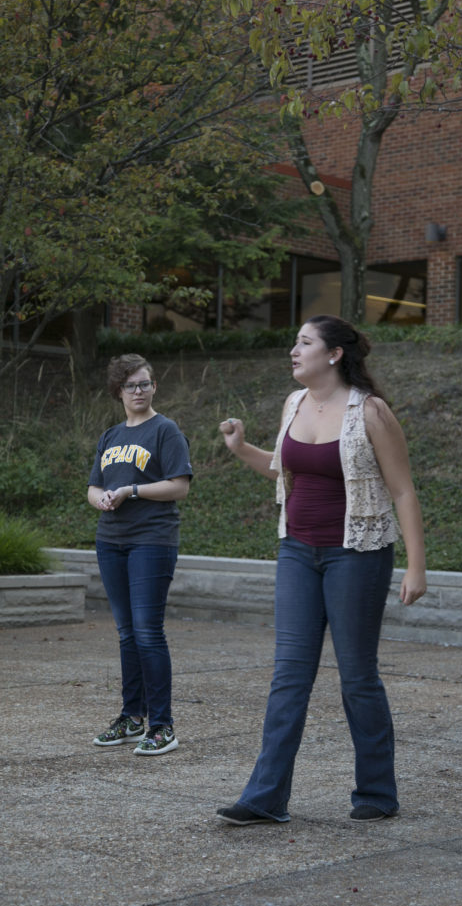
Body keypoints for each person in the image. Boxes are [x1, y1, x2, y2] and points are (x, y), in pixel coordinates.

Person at [216, 315, 426, 824]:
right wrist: (242, 447)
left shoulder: (371, 412)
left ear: (333, 354)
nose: (293, 350)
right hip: (296, 552)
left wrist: (417, 566)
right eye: (294, 341)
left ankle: (376, 792)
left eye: (304, 342)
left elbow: (402, 489)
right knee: (288, 676)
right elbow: (287, 466)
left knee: (357, 677)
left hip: (356, 553)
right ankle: (265, 797)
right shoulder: (293, 403)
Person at [88, 354, 192, 756]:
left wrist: (132, 490)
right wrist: (102, 499)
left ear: (153, 387)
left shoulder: (165, 430)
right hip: (110, 540)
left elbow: (179, 486)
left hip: (152, 540)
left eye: (145, 384)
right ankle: (132, 718)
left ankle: (162, 725)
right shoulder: (110, 436)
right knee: (127, 633)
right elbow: (94, 487)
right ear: (118, 390)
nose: (138, 391)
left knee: (148, 632)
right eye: (130, 385)